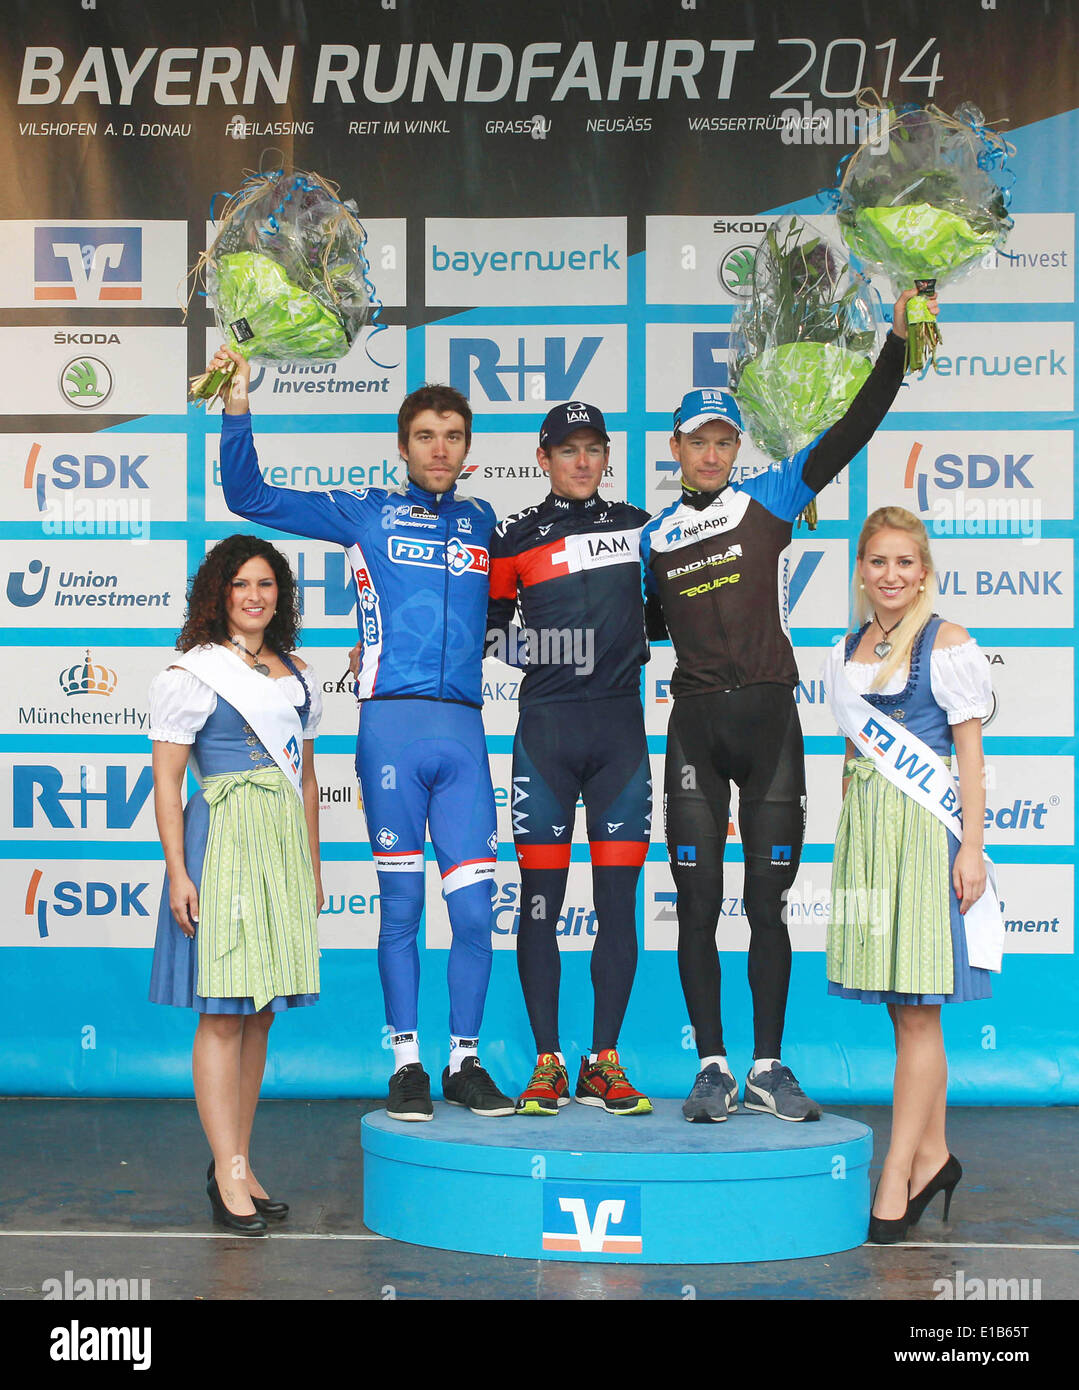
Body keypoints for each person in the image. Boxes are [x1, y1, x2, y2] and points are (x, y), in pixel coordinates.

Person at [641, 290, 933, 1124]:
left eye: (723, 438)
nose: (711, 451)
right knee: (696, 907)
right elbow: (628, 626)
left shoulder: (770, 497)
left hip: (770, 725)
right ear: (676, 446)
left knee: (767, 905)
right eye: (698, 438)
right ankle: (711, 1067)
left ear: (737, 446)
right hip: (693, 730)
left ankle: (768, 1066)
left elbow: (854, 427)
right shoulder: (651, 537)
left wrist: (896, 342)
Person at [208, 345, 513, 1122]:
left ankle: (465, 1061)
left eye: (452, 436)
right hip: (390, 733)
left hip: (465, 738)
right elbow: (248, 494)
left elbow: (524, 602)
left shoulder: (486, 522)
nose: (439, 448)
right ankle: (407, 1061)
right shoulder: (366, 513)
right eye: (424, 435)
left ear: (467, 449)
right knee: (401, 908)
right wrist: (237, 402)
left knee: (476, 915)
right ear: (402, 445)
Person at [823, 507, 1001, 1243]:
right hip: (869, 833)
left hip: (926, 833)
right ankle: (933, 1154)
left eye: (904, 562)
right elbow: (850, 757)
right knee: (900, 1007)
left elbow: (967, 757)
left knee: (921, 1008)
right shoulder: (846, 647)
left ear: (923, 571)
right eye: (877, 562)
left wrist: (971, 849)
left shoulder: (949, 643)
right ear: (860, 573)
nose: (890, 576)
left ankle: (896, 1171)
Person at [149, 535, 324, 1236]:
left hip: (279, 841)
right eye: (241, 584)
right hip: (220, 837)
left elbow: (307, 778)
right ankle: (225, 1170)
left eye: (267, 584)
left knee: (260, 1013)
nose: (255, 596)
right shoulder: (192, 672)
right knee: (222, 1009)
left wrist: (311, 864)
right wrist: (178, 872)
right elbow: (166, 782)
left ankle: (240, 1159)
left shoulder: (297, 672)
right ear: (219, 593)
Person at [486, 402, 653, 1116]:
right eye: (567, 450)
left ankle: (603, 1061)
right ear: (542, 457)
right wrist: (569, 652)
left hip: (621, 738)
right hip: (546, 738)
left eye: (593, 449)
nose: (581, 462)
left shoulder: (642, 526)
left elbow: (677, 609)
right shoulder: (513, 536)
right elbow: (491, 636)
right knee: (539, 905)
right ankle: (548, 1062)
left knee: (618, 906)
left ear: (607, 457)